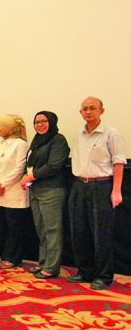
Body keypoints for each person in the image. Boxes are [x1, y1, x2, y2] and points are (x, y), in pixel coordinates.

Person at [67, 97, 125, 290]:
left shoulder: (111, 134)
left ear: (102, 111)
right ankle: (85, 271)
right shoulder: (79, 135)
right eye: (84, 109)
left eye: (92, 108)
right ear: (80, 112)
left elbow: (118, 162)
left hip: (101, 186)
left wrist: (116, 190)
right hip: (79, 185)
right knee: (79, 231)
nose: (88, 112)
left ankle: (103, 275)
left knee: (101, 233)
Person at [20, 111, 70, 279]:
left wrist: (31, 177)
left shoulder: (58, 140)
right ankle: (43, 262)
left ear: (52, 122)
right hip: (35, 189)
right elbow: (30, 164)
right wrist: (26, 178)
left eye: (44, 121)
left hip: (52, 190)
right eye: (37, 122)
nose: (40, 125)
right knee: (41, 228)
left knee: (52, 229)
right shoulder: (37, 141)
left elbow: (54, 165)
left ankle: (52, 267)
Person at [0, 114, 29, 269]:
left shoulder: (20, 144)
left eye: (1, 126)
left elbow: (19, 168)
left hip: (13, 191)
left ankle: (14, 257)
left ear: (10, 128)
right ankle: (4, 255)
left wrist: (2, 185)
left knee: (14, 226)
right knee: (1, 225)